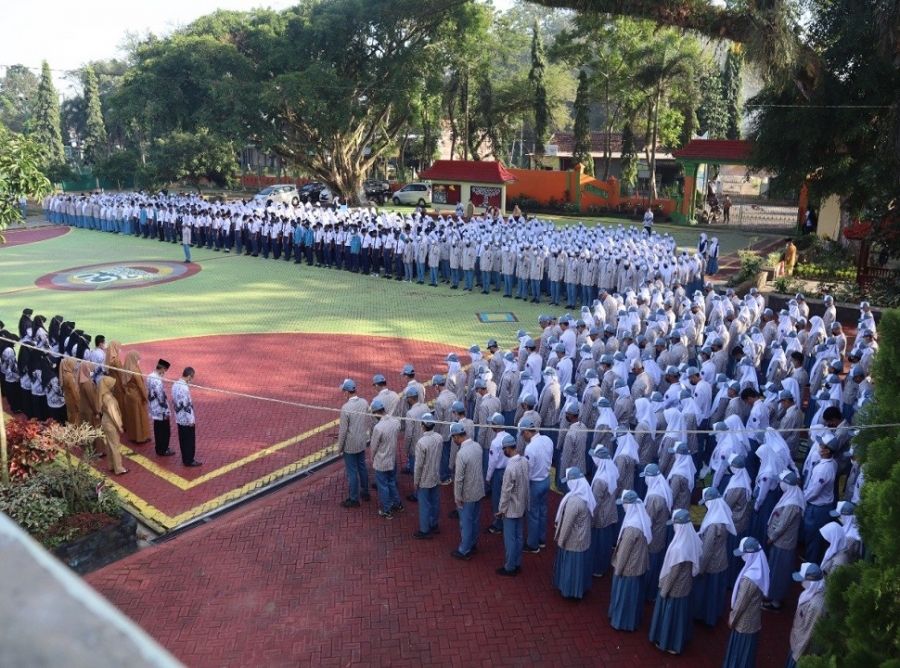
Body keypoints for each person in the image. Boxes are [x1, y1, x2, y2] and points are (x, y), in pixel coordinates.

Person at [649, 508, 701, 656]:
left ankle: (669, 643)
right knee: (681, 617)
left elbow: (672, 575)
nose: (673, 526)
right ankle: (680, 640)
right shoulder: (692, 539)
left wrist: (664, 592)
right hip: (686, 586)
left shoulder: (679, 548)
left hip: (674, 589)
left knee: (672, 618)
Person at [609, 489, 652, 631]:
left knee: (624, 598)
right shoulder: (641, 519)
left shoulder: (631, 528)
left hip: (628, 569)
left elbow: (624, 554)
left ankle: (621, 622)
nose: (623, 506)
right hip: (638, 565)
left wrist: (618, 570)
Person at [723, 537, 769, 668]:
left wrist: (732, 619)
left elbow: (741, 604)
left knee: (739, 655)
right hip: (753, 620)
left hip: (744, 623)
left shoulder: (750, 579)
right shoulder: (759, 569)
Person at [763, 470, 804, 612]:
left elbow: (783, 525)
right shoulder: (791, 496)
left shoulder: (792, 504)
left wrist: (771, 538)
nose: (780, 484)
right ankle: (772, 595)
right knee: (775, 570)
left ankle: (776, 602)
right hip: (780, 542)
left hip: (783, 543)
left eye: (781, 482)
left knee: (779, 572)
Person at [694, 486, 735, 627]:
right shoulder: (722, 516)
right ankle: (714, 615)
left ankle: (705, 617)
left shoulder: (713, 524)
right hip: (721, 560)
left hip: (711, 563)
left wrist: (701, 568)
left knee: (708, 593)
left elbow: (707, 549)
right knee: (716, 592)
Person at [552, 467, 595, 599]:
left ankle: (570, 592)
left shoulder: (574, 501)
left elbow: (567, 524)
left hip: (572, 541)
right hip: (583, 539)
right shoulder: (585, 495)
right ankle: (579, 589)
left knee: (571, 568)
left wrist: (560, 540)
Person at [496, 433, 529, 576]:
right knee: (519, 536)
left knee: (509, 539)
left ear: (508, 449)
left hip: (510, 508)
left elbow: (505, 492)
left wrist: (501, 510)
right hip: (521, 505)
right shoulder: (524, 461)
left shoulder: (510, 468)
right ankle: (517, 563)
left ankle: (510, 567)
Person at [452, 422, 484, 560]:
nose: (453, 440)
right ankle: (473, 544)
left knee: (465, 522)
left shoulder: (461, 454)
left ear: (457, 436)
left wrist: (457, 497)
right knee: (475, 520)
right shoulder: (477, 446)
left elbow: (459, 479)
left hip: (467, 493)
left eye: (453, 437)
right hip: (478, 490)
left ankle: (464, 549)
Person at [520, 418, 553, 554]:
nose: (522, 437)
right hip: (546, 480)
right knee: (542, 511)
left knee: (532, 514)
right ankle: (541, 539)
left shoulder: (530, 448)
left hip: (534, 483)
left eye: (522, 434)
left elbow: (528, 471)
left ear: (527, 432)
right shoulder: (547, 440)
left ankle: (533, 544)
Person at [785, 563, 826, 668]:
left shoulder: (815, 606)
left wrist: (796, 657)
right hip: (797, 645)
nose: (802, 583)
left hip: (802, 654)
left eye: (803, 580)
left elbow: (808, 635)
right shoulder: (812, 594)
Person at [337, 378, 369, 507]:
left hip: (350, 444)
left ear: (346, 392)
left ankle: (354, 498)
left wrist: (340, 447)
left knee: (352, 472)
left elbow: (343, 430)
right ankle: (365, 492)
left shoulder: (345, 408)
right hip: (361, 441)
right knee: (362, 467)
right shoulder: (364, 402)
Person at [369, 398, 402, 519]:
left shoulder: (378, 428)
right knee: (392, 482)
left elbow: (373, 446)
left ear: (376, 413)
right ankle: (398, 503)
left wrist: (372, 458)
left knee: (383, 486)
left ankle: (387, 509)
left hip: (381, 461)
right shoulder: (395, 422)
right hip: (392, 458)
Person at [589, 445, 619, 578]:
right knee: (606, 542)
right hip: (610, 512)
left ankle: (597, 568)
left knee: (598, 545)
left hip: (600, 517)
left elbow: (595, 503)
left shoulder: (600, 480)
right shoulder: (611, 471)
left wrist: (590, 520)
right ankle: (603, 566)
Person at [412, 413, 442, 539]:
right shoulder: (439, 438)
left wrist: (416, 480)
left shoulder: (421, 442)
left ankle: (425, 530)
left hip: (424, 477)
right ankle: (434, 524)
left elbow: (419, 465)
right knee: (434, 501)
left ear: (423, 426)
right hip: (435, 474)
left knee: (424, 504)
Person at [98, 376, 128, 475]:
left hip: (105, 422)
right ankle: (119, 468)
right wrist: (119, 426)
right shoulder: (109, 399)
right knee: (115, 446)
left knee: (110, 445)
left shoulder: (103, 395)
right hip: (111, 423)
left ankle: (111, 465)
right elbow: (114, 415)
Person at [172, 366, 201, 467]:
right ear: (189, 376)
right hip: (186, 419)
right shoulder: (184, 388)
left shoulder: (175, 384)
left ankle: (185, 458)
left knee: (182, 440)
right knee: (189, 440)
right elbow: (186, 406)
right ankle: (189, 460)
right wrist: (191, 420)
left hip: (179, 417)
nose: (191, 380)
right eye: (191, 377)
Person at [146, 359, 174, 457]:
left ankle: (159, 448)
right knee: (164, 431)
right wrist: (166, 411)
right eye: (164, 370)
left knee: (157, 429)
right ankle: (164, 449)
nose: (164, 372)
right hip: (160, 410)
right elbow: (161, 397)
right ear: (162, 368)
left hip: (153, 408)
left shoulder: (149, 376)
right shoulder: (157, 380)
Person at [122, 351, 151, 444]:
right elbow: (141, 386)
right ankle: (141, 437)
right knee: (140, 418)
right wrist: (146, 398)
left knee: (132, 418)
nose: (139, 361)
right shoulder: (135, 370)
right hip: (137, 396)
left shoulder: (126, 368)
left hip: (129, 395)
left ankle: (133, 436)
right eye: (138, 359)